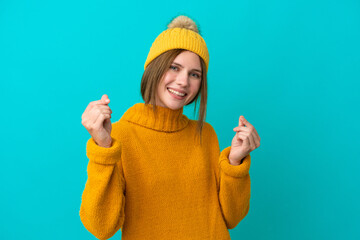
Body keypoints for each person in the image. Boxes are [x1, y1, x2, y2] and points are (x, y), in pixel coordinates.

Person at [79, 15, 261, 240]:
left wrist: (235, 163)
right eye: (174, 67)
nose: (184, 81)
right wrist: (103, 149)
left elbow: (231, 218)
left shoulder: (206, 135)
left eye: (194, 74)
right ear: (153, 68)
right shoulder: (119, 136)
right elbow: (101, 227)